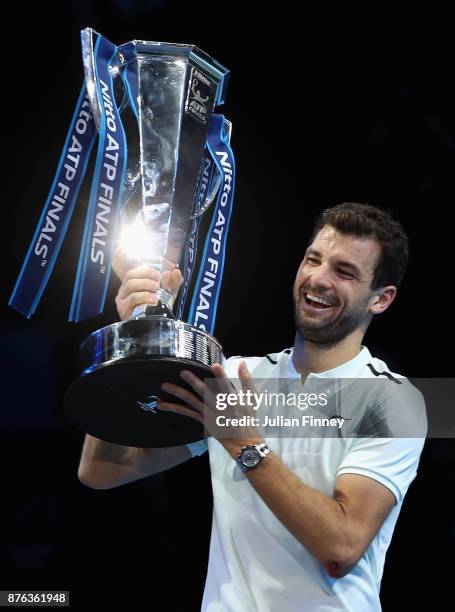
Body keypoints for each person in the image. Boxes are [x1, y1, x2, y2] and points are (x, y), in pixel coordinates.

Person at [78, 202, 427, 611]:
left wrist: (243, 442)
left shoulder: (397, 399)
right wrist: (134, 332)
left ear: (381, 299)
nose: (318, 278)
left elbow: (341, 547)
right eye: (313, 259)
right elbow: (101, 470)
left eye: (344, 271)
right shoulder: (236, 376)